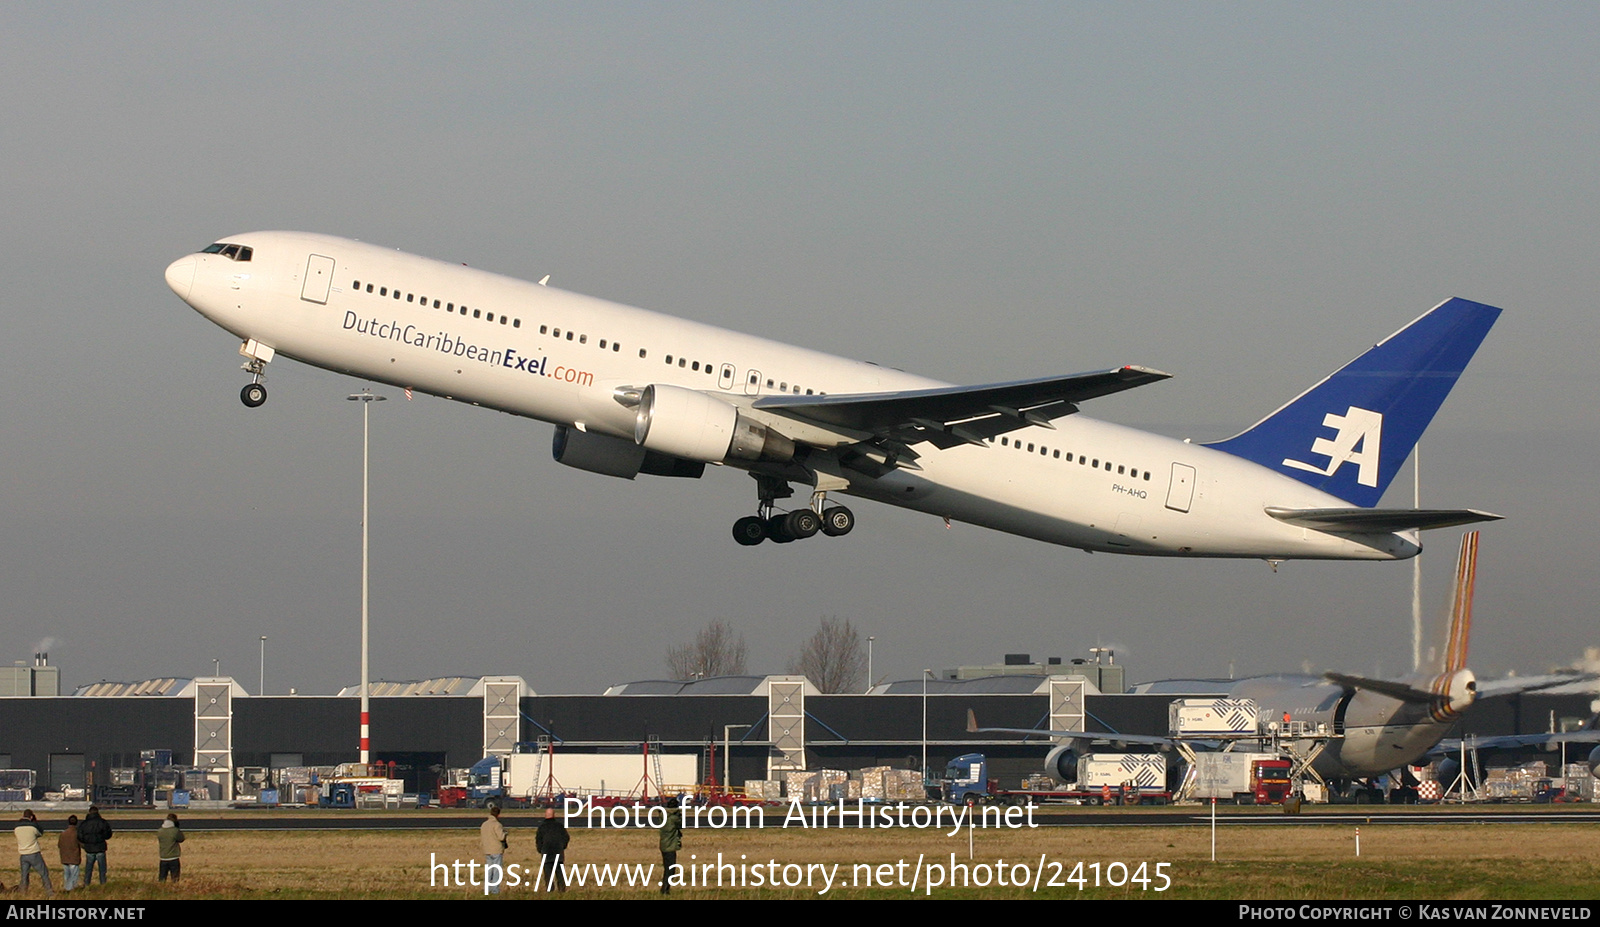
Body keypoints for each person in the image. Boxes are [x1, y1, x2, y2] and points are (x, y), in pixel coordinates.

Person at [14, 810, 53, 897]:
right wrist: (35, 822)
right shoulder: (33, 827)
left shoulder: (16, 828)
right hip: (34, 853)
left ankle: (23, 893)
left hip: (23, 854)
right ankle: (49, 892)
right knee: (44, 873)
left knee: (24, 876)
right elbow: (40, 833)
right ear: (31, 817)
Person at [535, 807, 569, 892]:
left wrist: (540, 849)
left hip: (546, 852)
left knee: (548, 873)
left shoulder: (542, 827)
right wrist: (562, 846)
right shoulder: (560, 826)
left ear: (545, 815)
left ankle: (550, 890)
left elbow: (538, 840)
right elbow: (566, 837)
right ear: (554, 815)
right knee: (560, 873)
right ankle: (562, 889)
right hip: (558, 852)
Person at [77, 807, 111, 885]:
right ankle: (103, 884)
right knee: (102, 870)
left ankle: (86, 884)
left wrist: (86, 842)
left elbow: (80, 836)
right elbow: (108, 834)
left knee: (88, 869)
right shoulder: (102, 822)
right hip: (100, 848)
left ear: (89, 812)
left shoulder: (84, 824)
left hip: (89, 849)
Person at [479, 805, 507, 895]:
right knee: (496, 870)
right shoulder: (497, 825)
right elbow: (501, 837)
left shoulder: (484, 824)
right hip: (496, 850)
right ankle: (495, 889)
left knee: (489, 870)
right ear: (498, 815)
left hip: (487, 850)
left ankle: (486, 888)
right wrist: (505, 833)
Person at [658, 796, 682, 896]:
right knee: (670, 869)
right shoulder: (674, 818)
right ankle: (665, 889)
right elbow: (680, 825)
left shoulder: (663, 816)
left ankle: (665, 888)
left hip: (663, 844)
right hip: (670, 846)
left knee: (667, 868)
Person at [156, 814, 184, 883]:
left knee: (162, 878)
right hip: (173, 857)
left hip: (163, 857)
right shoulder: (175, 831)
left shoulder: (160, 831)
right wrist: (177, 828)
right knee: (175, 879)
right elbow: (181, 839)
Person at [58, 815, 81, 892]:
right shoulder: (77, 833)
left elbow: (59, 845)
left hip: (64, 857)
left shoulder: (63, 833)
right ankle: (70, 890)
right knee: (73, 875)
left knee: (66, 875)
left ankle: (66, 888)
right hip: (74, 857)